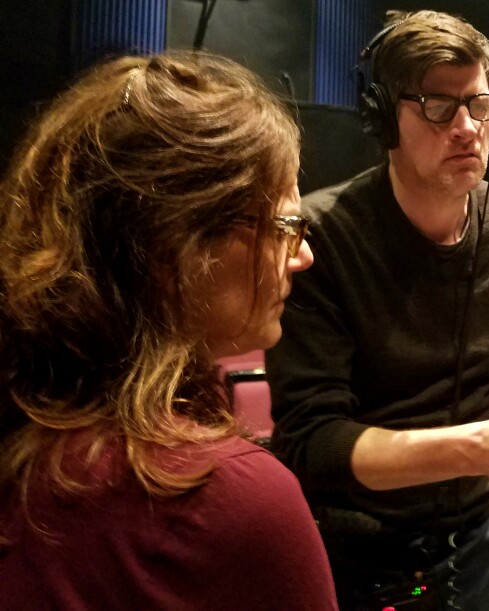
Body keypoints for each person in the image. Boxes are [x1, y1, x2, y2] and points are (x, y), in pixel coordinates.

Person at [265, 9, 489, 611]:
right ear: (384, 117)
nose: (466, 127)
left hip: (477, 541)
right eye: (438, 106)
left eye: (480, 103)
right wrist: (475, 449)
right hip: (352, 556)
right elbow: (314, 444)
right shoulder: (322, 235)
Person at [0, 51, 338, 610]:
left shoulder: (27, 448)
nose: (302, 254)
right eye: (285, 225)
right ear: (174, 244)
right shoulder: (235, 501)